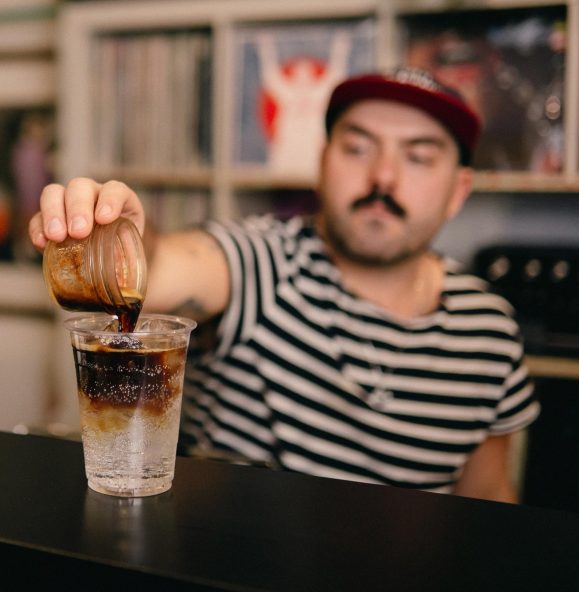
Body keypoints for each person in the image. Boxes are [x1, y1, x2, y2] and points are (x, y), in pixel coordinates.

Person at [29, 67, 539, 503]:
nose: (383, 176)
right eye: (358, 147)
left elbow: (488, 503)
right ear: (322, 164)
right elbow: (165, 272)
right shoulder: (264, 262)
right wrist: (124, 242)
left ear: (458, 191)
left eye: (419, 157)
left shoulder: (488, 330)